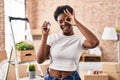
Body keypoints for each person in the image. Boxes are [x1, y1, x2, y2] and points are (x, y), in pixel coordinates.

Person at [37, 5, 99, 80]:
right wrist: (44, 35)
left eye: (67, 19)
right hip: (51, 78)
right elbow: (40, 60)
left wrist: (76, 23)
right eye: (60, 21)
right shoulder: (52, 38)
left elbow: (94, 43)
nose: (64, 23)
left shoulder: (79, 40)